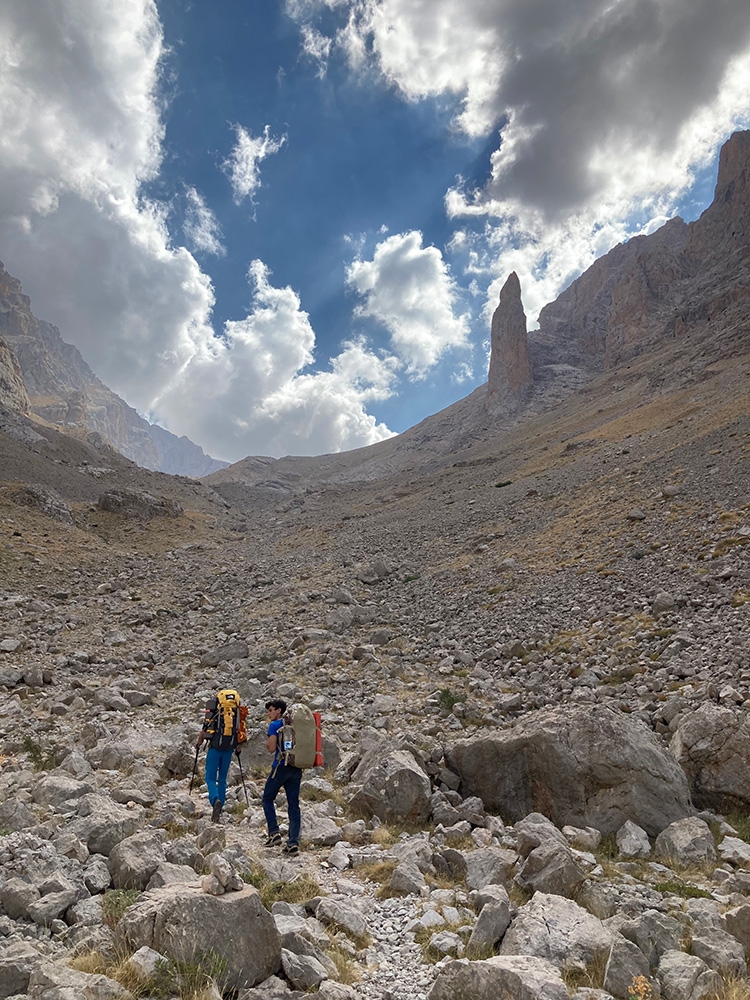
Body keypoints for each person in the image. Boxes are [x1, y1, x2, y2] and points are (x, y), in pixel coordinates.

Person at [195, 689, 242, 823]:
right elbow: (239, 731)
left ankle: (214, 799)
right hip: (229, 748)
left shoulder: (215, 710)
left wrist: (199, 744)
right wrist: (238, 748)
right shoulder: (235, 712)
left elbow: (204, 729)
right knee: (222, 779)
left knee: (210, 777)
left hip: (215, 748)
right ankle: (220, 805)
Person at [262, 699, 302, 855]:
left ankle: (274, 833)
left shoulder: (275, 725)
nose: (269, 713)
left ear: (279, 710)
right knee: (293, 805)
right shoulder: (296, 726)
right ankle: (293, 843)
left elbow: (271, 749)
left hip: (280, 767)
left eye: (271, 710)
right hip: (296, 767)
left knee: (267, 798)